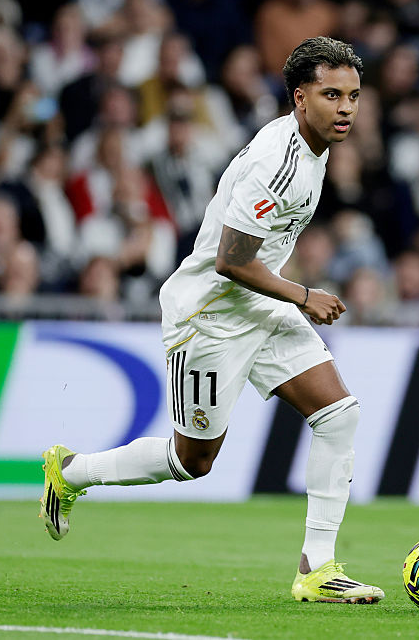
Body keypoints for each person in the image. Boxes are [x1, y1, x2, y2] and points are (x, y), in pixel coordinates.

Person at [41, 37, 384, 604]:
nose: (346, 107)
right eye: (331, 95)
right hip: (210, 316)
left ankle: (317, 569)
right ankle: (72, 471)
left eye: (352, 95)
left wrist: (287, 295)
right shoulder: (279, 163)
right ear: (301, 99)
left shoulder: (314, 148)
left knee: (338, 414)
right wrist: (302, 294)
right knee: (190, 461)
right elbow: (230, 261)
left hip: (258, 305)